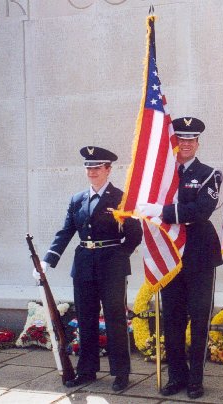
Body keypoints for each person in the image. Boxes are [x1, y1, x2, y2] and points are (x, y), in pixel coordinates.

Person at [34, 146, 143, 391]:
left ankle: (121, 373)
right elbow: (65, 232)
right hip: (83, 265)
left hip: (111, 267)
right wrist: (47, 260)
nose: (91, 172)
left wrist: (118, 256)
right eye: (88, 167)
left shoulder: (121, 198)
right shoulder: (78, 199)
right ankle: (87, 370)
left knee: (115, 319)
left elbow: (135, 235)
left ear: (108, 169)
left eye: (96, 167)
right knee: (85, 319)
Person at [138, 117, 223, 399]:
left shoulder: (210, 174)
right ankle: (176, 376)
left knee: (199, 320)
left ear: (198, 143)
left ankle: (196, 380)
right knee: (172, 318)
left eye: (191, 139)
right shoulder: (161, 175)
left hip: (199, 254)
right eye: (181, 139)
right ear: (174, 141)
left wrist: (161, 211)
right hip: (169, 255)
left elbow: (200, 210)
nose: (186, 144)